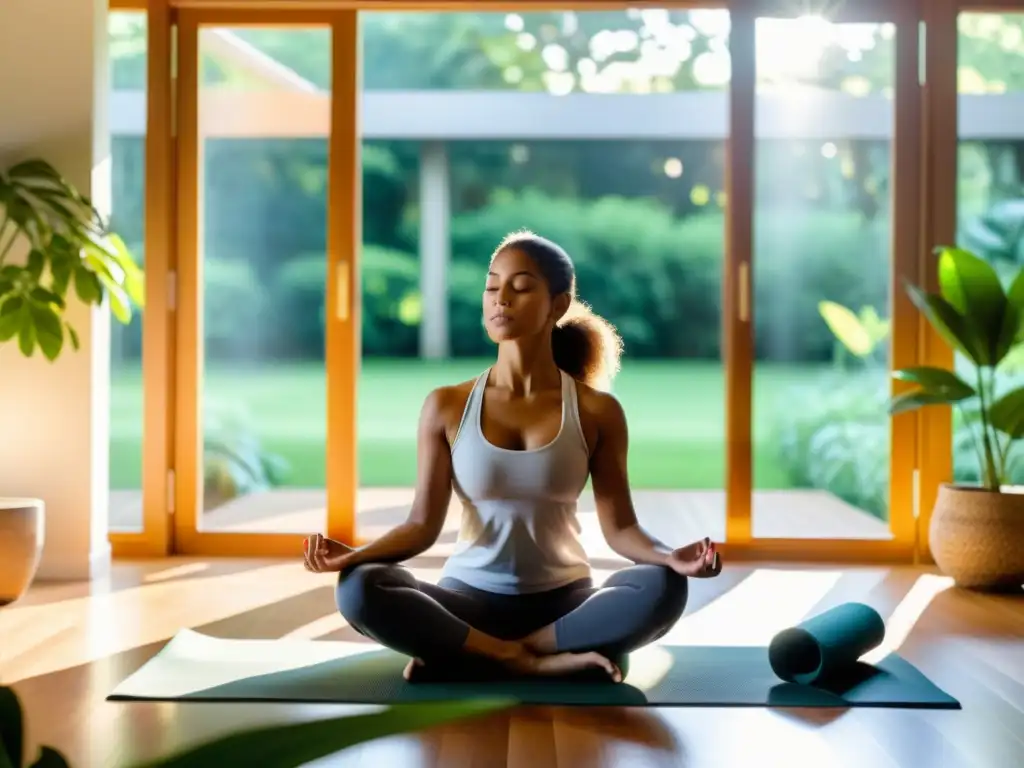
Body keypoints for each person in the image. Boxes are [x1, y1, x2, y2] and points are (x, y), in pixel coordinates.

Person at [302, 230, 722, 684]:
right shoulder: (446, 406)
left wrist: (670, 557)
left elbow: (621, 529)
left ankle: (486, 655)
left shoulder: (597, 411)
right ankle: (525, 660)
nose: (500, 298)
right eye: (491, 286)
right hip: (466, 601)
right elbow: (420, 526)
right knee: (360, 588)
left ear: (557, 305)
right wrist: (358, 556)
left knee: (662, 586)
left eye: (520, 287)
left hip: (565, 605)